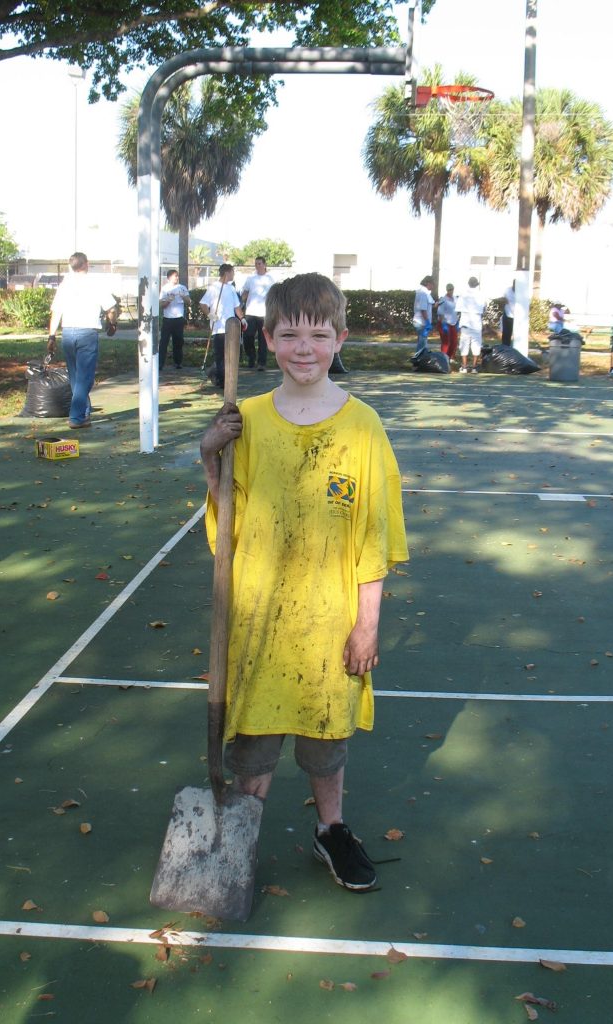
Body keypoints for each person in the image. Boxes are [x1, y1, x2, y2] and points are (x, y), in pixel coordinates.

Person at [199, 272, 409, 892]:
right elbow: (227, 527)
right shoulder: (247, 420)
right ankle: (240, 835)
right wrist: (211, 457)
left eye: (319, 335)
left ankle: (331, 830)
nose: (304, 348)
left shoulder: (363, 427)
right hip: (259, 612)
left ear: (340, 339)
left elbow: (375, 535)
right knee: (254, 743)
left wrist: (367, 623)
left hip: (332, 617)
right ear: (268, 338)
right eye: (289, 334)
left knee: (325, 741)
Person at [47, 251, 118, 429]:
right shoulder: (95, 283)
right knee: (85, 378)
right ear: (86, 264)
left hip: (68, 333)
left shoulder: (65, 285)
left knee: (75, 377)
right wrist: (113, 323)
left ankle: (84, 412)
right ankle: (76, 417)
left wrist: (51, 335)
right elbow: (111, 308)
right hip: (87, 332)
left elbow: (56, 312)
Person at [199, 263, 244, 389]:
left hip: (231, 328)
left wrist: (242, 319)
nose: (233, 274)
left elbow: (237, 307)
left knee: (231, 355)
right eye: (232, 272)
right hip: (218, 327)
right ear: (227, 273)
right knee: (220, 355)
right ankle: (220, 379)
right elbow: (203, 304)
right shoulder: (213, 288)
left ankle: (227, 378)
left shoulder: (231, 289)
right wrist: (210, 315)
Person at [240, 256, 273, 371]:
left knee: (263, 339)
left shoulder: (270, 279)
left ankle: (261, 363)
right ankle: (251, 357)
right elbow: (245, 293)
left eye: (259, 263)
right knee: (248, 336)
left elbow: (273, 295)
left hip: (264, 313)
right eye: (256, 264)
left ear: (264, 265)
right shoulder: (251, 278)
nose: (257, 266)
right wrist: (240, 305)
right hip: (250, 312)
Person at [158, 268, 191, 371]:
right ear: (169, 278)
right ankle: (160, 363)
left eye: (177, 276)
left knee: (178, 341)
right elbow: (161, 305)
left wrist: (182, 296)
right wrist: (168, 300)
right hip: (168, 319)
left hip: (178, 319)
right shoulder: (165, 289)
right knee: (164, 341)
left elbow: (189, 302)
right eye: (174, 276)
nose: (177, 278)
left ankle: (178, 362)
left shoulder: (182, 288)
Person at [455, 276, 486, 373]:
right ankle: (474, 367)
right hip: (476, 323)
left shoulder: (463, 294)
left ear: (468, 284)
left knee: (464, 345)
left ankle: (464, 366)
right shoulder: (481, 294)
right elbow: (484, 308)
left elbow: (458, 309)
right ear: (476, 284)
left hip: (465, 322)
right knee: (476, 345)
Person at [412, 275, 435, 355]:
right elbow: (423, 309)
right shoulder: (423, 293)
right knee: (422, 344)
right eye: (433, 284)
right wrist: (427, 322)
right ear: (428, 283)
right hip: (421, 322)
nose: (433, 286)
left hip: (421, 321)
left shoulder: (424, 292)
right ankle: (417, 363)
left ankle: (419, 362)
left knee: (422, 343)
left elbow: (427, 306)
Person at [436, 282, 459, 360]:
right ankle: (443, 358)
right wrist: (443, 324)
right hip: (444, 323)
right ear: (447, 290)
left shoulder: (456, 298)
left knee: (454, 342)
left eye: (452, 289)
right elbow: (440, 312)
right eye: (449, 290)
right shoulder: (443, 299)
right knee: (446, 342)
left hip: (453, 323)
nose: (451, 291)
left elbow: (457, 310)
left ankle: (450, 358)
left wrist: (457, 322)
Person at [502, 280, 516, 345]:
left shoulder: (521, 291)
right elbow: (503, 299)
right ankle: (505, 347)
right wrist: (504, 300)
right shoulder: (507, 290)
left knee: (516, 334)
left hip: (517, 316)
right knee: (506, 333)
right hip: (507, 314)